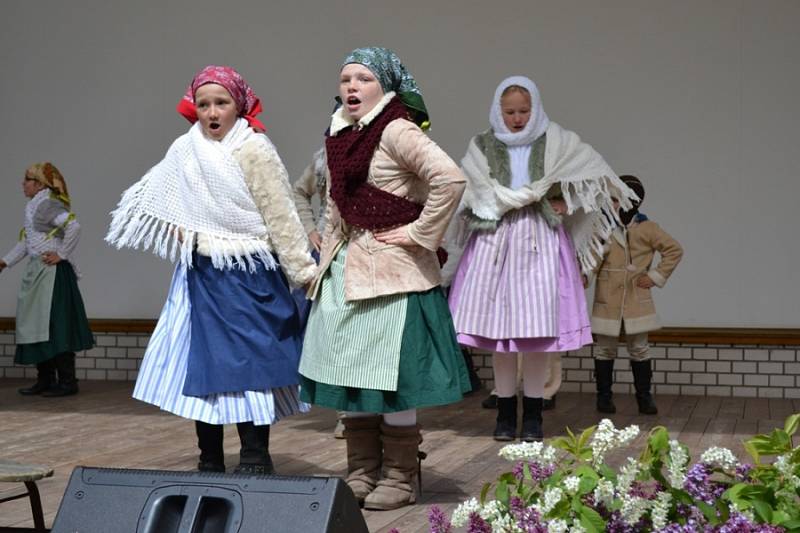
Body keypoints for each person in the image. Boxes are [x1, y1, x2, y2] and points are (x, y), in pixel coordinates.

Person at [106, 65, 316, 474]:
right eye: (204, 104)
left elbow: (280, 215)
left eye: (221, 103)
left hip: (249, 271)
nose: (212, 112)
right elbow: (163, 200)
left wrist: (304, 272)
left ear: (239, 105)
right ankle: (210, 458)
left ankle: (255, 455)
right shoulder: (186, 149)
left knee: (250, 363)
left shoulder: (254, 148)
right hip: (202, 276)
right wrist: (182, 229)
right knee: (200, 365)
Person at [298, 47, 471, 511]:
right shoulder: (339, 135)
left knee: (391, 378)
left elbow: (450, 180)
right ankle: (361, 471)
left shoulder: (396, 129)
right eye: (346, 79)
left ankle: (399, 474)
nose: (352, 86)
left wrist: (417, 233)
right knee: (350, 374)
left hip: (391, 275)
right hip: (346, 270)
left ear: (386, 87)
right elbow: (336, 205)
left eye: (363, 79)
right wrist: (322, 262)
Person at [447, 76, 636, 442]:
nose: (517, 118)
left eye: (523, 110)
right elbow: (468, 190)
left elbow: (597, 179)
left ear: (535, 108)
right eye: (510, 112)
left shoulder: (558, 141)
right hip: (495, 242)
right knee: (500, 336)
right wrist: (491, 204)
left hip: (540, 241)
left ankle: (533, 415)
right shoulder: (482, 146)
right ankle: (504, 414)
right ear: (498, 112)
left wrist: (568, 202)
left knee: (535, 337)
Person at [589, 175, 683, 415]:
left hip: (635, 298)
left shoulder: (648, 228)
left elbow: (674, 250)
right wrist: (585, 275)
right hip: (607, 297)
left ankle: (644, 397)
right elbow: (590, 260)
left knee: (640, 348)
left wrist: (654, 276)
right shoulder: (603, 227)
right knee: (604, 349)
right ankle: (603, 398)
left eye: (615, 198)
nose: (611, 203)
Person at [1, 162, 93, 397]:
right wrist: (5, 262)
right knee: (35, 325)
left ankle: (67, 381)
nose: (23, 184)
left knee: (56, 325)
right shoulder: (34, 206)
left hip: (53, 275)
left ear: (40, 184)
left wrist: (61, 255)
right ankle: (46, 379)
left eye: (28, 180)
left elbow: (74, 225)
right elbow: (28, 243)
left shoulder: (46, 204)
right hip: (38, 271)